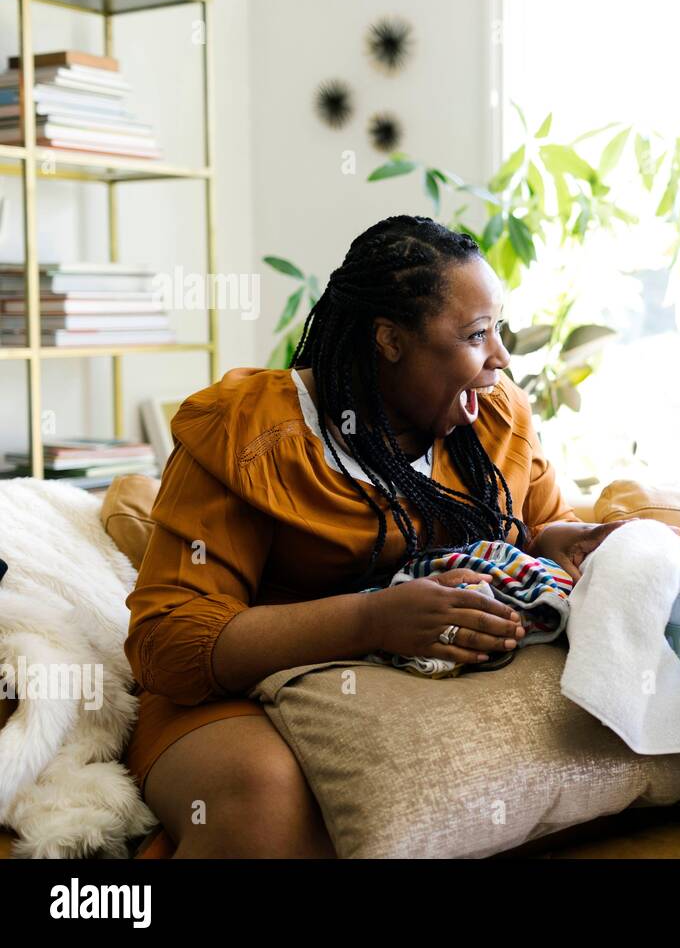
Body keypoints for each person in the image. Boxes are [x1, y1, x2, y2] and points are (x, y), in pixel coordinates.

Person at [123, 215, 628, 857]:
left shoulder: (496, 418)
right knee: (266, 801)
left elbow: (531, 531)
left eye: (497, 329)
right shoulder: (249, 433)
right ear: (389, 339)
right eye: (476, 336)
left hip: (403, 697)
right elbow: (169, 643)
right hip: (235, 695)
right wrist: (372, 620)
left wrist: (555, 541)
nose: (500, 358)